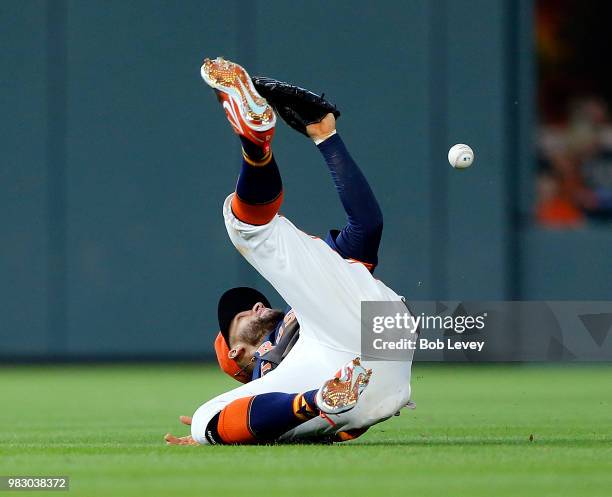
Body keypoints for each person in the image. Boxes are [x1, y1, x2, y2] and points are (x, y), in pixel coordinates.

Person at [164, 57, 414, 446]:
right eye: (240, 317)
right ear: (237, 354)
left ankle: (257, 149)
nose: (254, 307)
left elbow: (367, 227)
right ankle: (256, 148)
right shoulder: (265, 367)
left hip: (372, 339)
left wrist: (326, 137)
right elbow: (265, 387)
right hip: (358, 380)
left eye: (248, 305)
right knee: (246, 229)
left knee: (205, 423)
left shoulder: (309, 305)